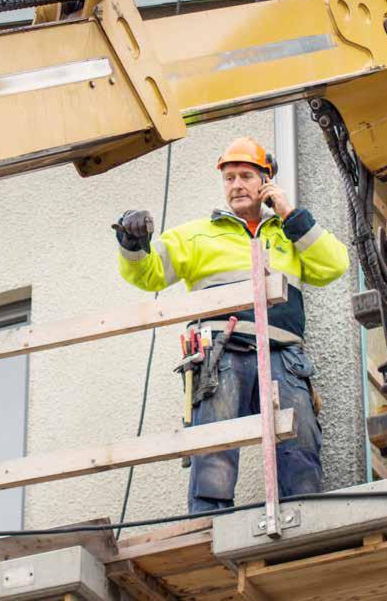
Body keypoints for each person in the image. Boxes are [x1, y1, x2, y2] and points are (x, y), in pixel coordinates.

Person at [113, 137, 349, 512]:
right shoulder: (198, 234)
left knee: (300, 446)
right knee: (215, 453)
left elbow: (334, 265)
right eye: (229, 177)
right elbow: (150, 274)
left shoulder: (289, 233)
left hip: (283, 354)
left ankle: (307, 524)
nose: (236, 184)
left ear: (265, 182)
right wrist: (131, 240)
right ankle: (209, 526)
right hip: (223, 352)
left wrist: (290, 214)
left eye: (246, 175)